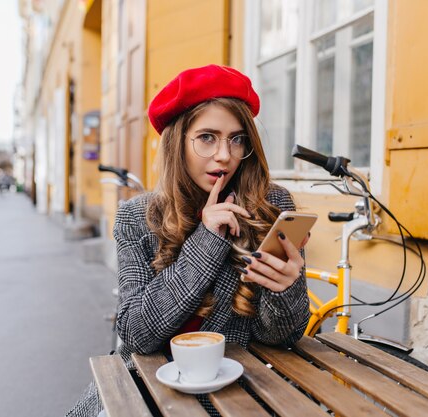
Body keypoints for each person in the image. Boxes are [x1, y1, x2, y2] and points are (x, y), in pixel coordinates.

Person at [67, 64, 311, 417]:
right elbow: (137, 334)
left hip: (236, 390)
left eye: (237, 138)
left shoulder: (270, 205)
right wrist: (206, 241)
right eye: (207, 137)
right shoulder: (137, 217)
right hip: (146, 390)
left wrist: (285, 290)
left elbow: (282, 338)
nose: (225, 155)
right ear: (177, 143)